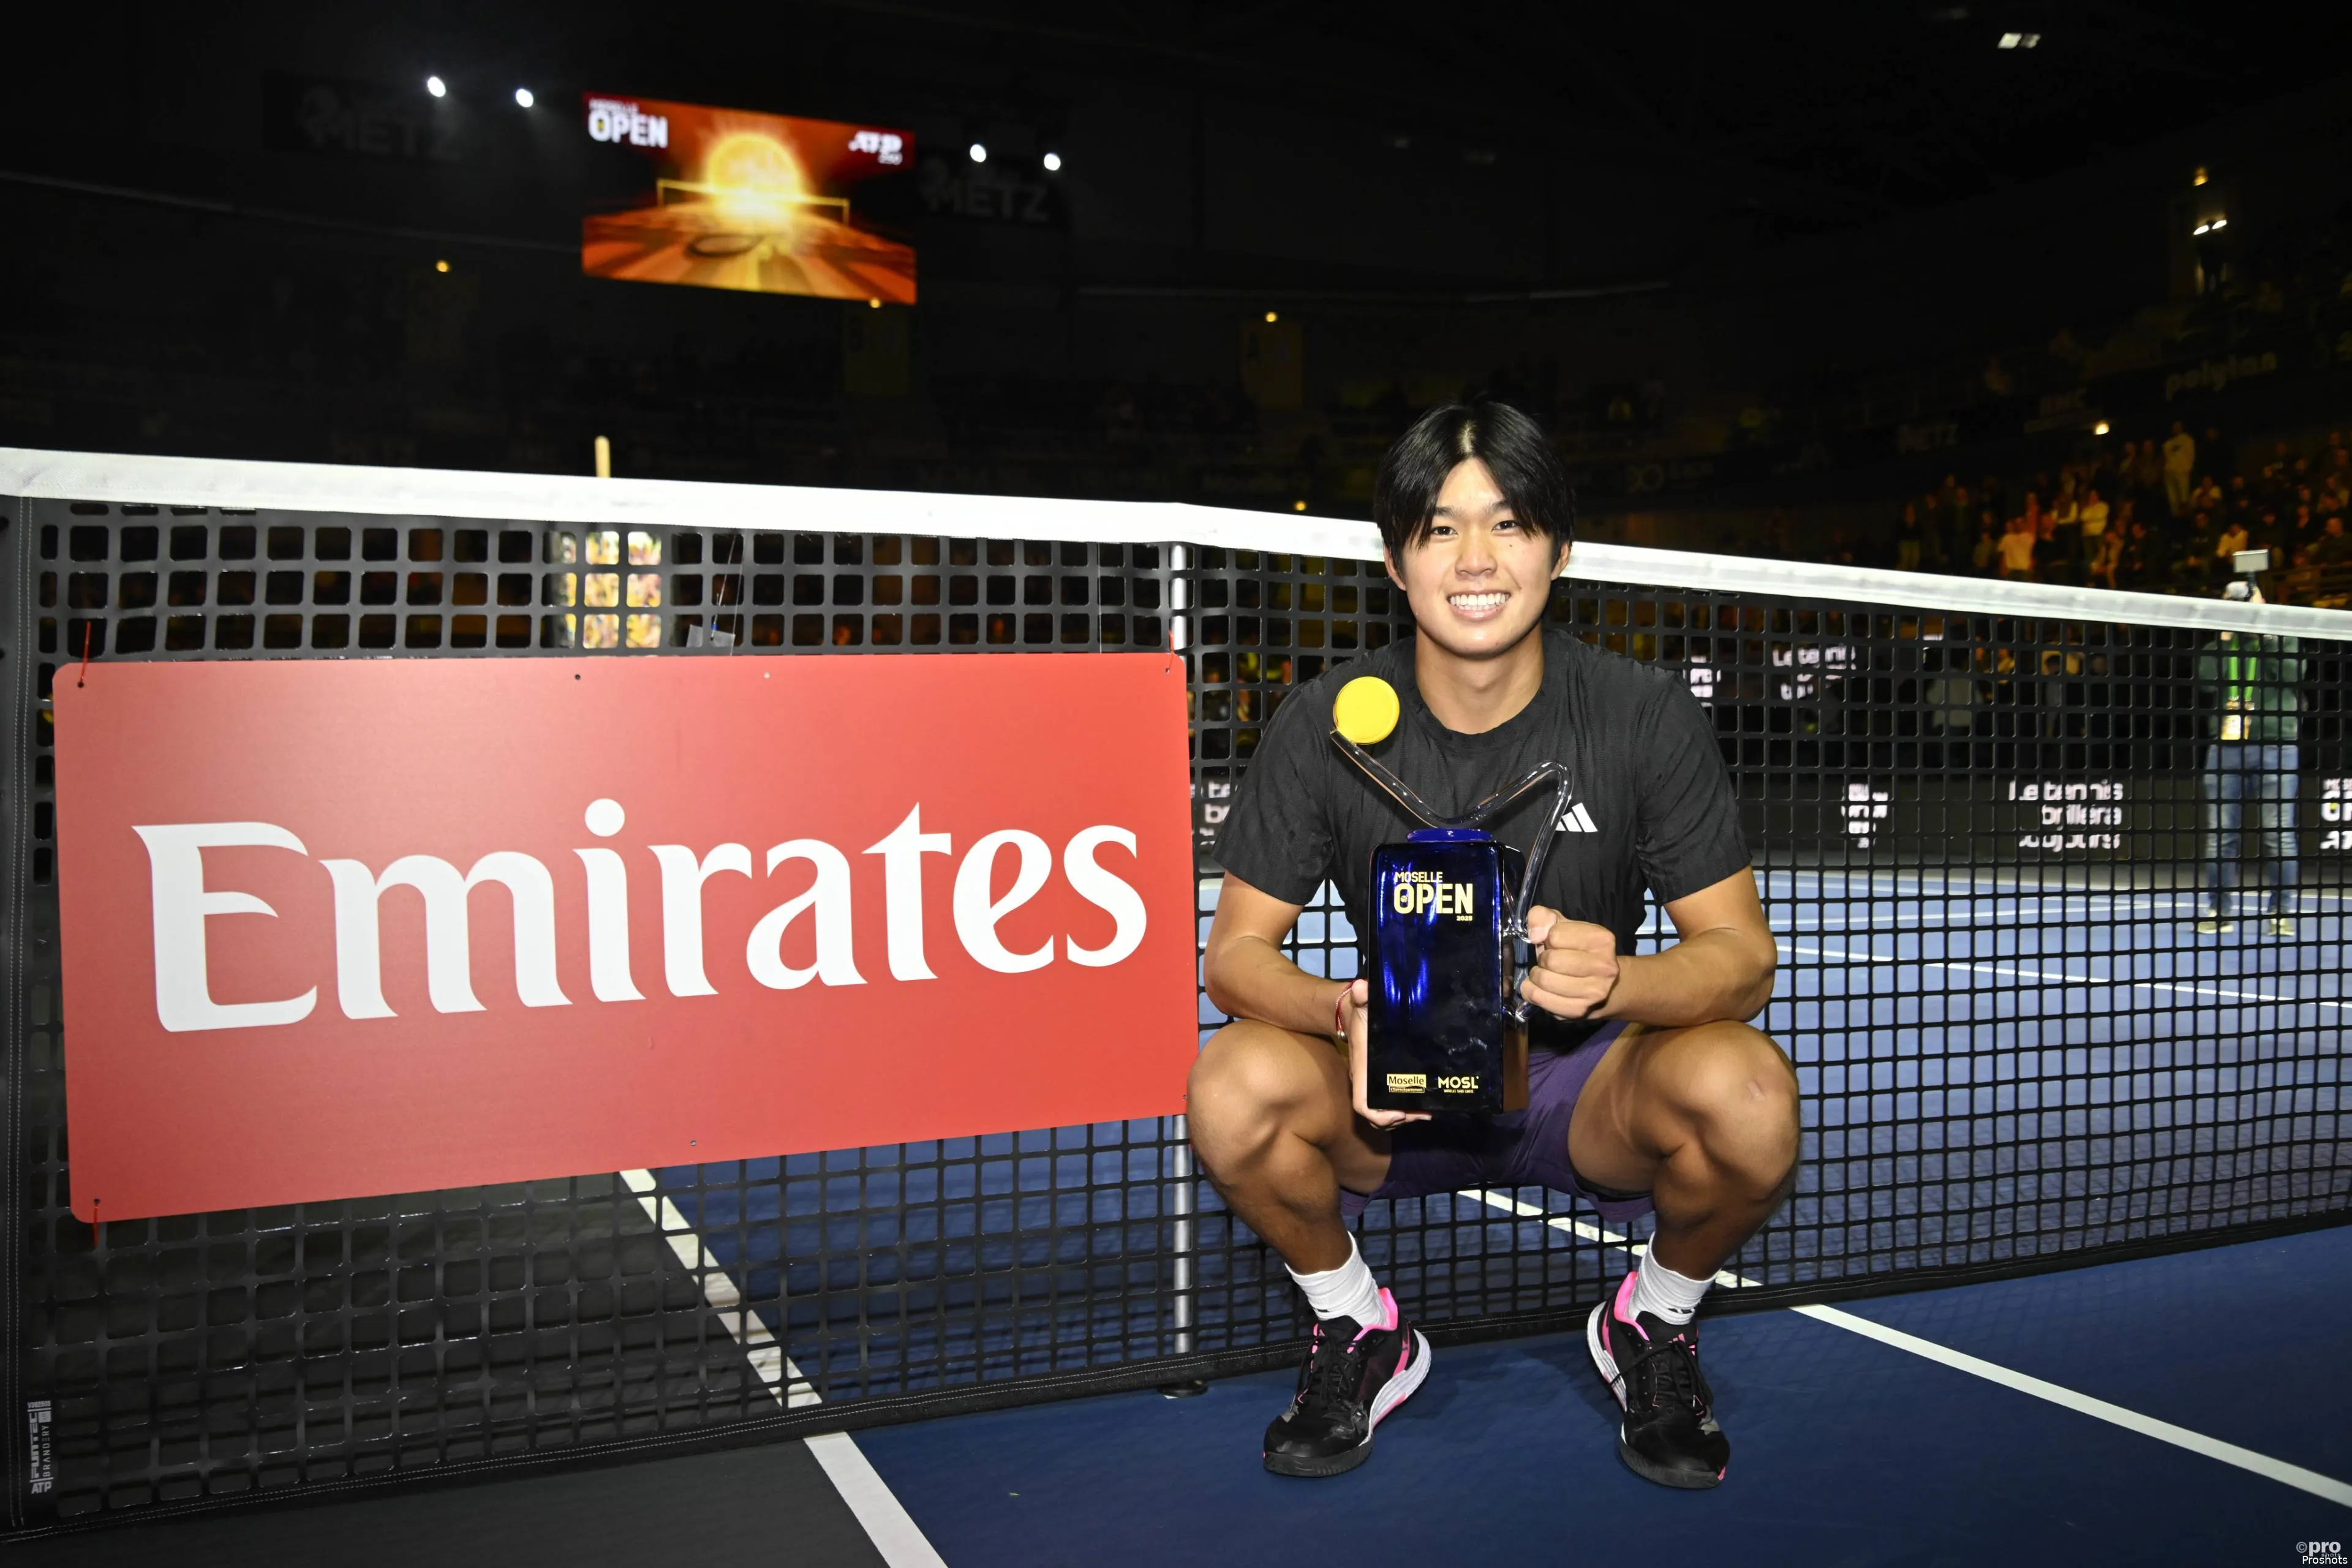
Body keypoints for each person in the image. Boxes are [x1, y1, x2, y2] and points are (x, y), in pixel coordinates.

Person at [1192, 400, 1793, 1488]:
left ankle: (1652, 1321)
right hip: (1396, 1095)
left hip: (1588, 1088)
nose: (1475, 559)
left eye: (1509, 524)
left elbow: (1741, 958)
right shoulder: (1323, 721)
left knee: (1750, 1099)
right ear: (1395, 560)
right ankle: (1356, 1324)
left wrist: (1621, 979)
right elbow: (1233, 957)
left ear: (1559, 551)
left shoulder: (1640, 715)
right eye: (1438, 528)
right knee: (1231, 1085)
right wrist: (1345, 1016)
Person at [2195, 578, 2302, 937]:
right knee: (2221, 834)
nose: (2237, 604)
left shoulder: (2283, 638)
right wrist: (2226, 637)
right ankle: (2219, 911)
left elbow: (2292, 675)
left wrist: (2266, 625)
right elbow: (2208, 681)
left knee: (2279, 834)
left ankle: (2281, 913)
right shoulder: (2218, 646)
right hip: (2226, 748)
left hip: (2277, 746)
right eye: (2230, 599)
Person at [2163, 421, 2196, 516]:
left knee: (2184, 497)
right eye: (2174, 426)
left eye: (2178, 426)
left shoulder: (2188, 440)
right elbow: (2166, 458)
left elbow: (2191, 455)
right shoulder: (2167, 444)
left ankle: (2185, 518)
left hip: (2182, 472)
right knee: (2173, 499)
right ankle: (2176, 518)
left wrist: (2188, 468)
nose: (2175, 428)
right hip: (2169, 473)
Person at [1998, 511, 2038, 579]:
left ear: (2025, 524)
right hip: (2010, 571)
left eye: (2021, 523)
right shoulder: (2007, 538)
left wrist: (2031, 567)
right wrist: (2002, 569)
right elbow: (2002, 555)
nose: (2019, 525)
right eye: (2017, 524)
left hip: (2025, 571)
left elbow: (2035, 554)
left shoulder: (2031, 538)